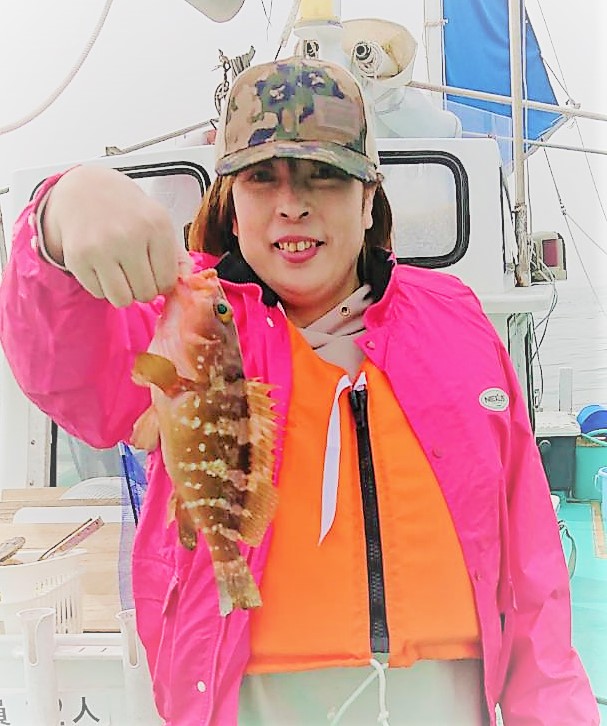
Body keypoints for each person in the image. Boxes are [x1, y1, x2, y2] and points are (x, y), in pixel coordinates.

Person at [0, 55, 599, 726]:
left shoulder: (454, 320)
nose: (292, 204)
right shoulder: (184, 312)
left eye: (325, 175)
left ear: (368, 199)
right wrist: (55, 220)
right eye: (262, 178)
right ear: (231, 203)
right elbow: (65, 372)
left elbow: (528, 557)